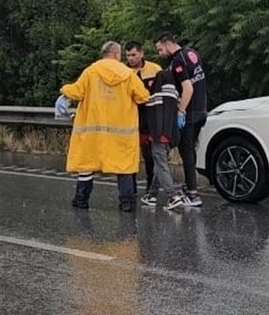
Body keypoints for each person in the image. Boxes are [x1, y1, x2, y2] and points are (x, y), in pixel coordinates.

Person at [61, 41, 151, 212]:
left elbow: (76, 92)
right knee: (123, 167)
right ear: (116, 54)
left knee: (86, 166)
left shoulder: (91, 72)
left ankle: (81, 199)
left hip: (93, 134)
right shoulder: (128, 74)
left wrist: (64, 90)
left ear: (104, 54)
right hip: (121, 134)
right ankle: (126, 202)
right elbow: (142, 96)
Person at [154, 32, 207, 207]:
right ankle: (189, 187)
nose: (160, 53)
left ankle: (193, 194)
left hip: (190, 113)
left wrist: (181, 111)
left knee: (186, 152)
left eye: (160, 49)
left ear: (168, 44)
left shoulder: (178, 60)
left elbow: (188, 88)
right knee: (191, 150)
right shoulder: (192, 53)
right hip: (202, 109)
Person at [140, 70, 190, 210]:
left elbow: (146, 116)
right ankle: (152, 195)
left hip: (158, 136)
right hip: (172, 136)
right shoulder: (175, 96)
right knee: (159, 165)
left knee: (161, 165)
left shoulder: (155, 97)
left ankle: (172, 196)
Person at [124, 41, 162, 203]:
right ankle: (130, 189)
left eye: (133, 55)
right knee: (129, 157)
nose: (131, 59)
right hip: (129, 118)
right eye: (128, 55)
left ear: (141, 54)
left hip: (149, 118)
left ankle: (150, 189)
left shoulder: (155, 69)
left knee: (149, 157)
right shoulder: (123, 72)